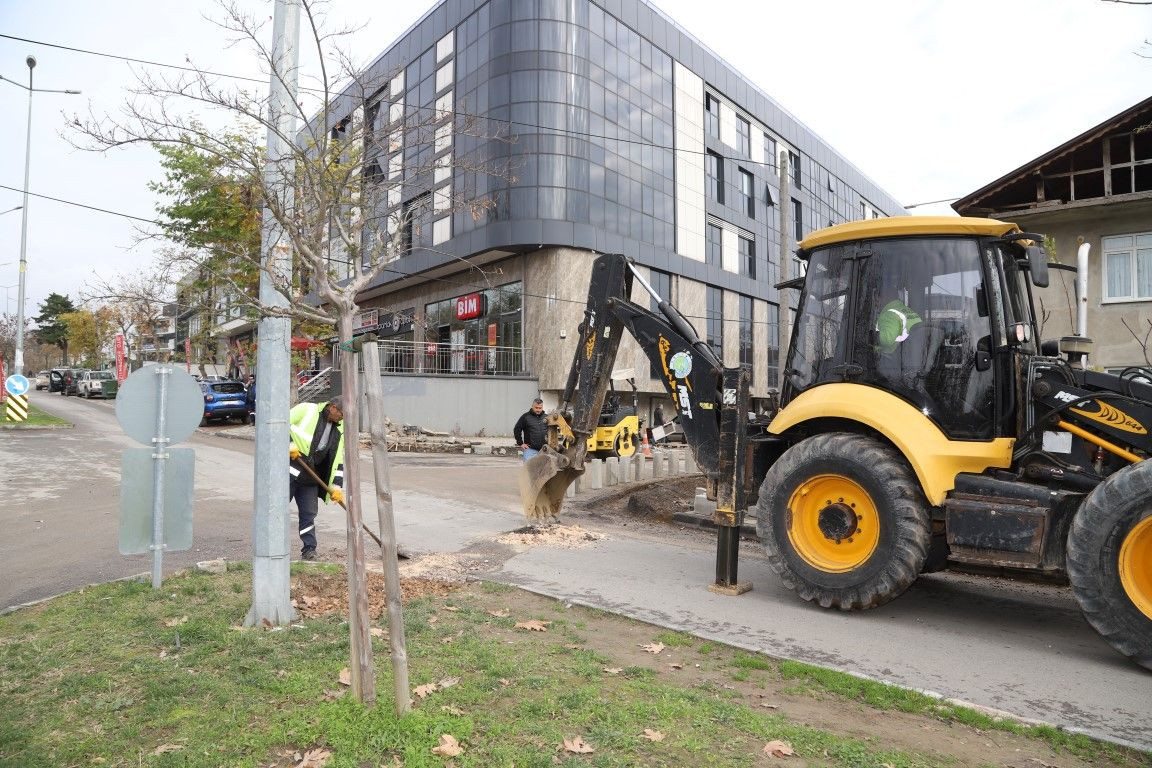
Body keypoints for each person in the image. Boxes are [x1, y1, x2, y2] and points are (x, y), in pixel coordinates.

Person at [288, 397, 345, 560]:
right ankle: (274, 546)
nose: (343, 418)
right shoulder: (306, 410)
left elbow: (337, 459)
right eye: (342, 414)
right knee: (277, 510)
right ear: (333, 408)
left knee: (309, 514)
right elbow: (279, 424)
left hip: (311, 477)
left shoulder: (340, 429)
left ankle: (309, 550)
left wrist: (336, 486)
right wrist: (289, 445)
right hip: (289, 471)